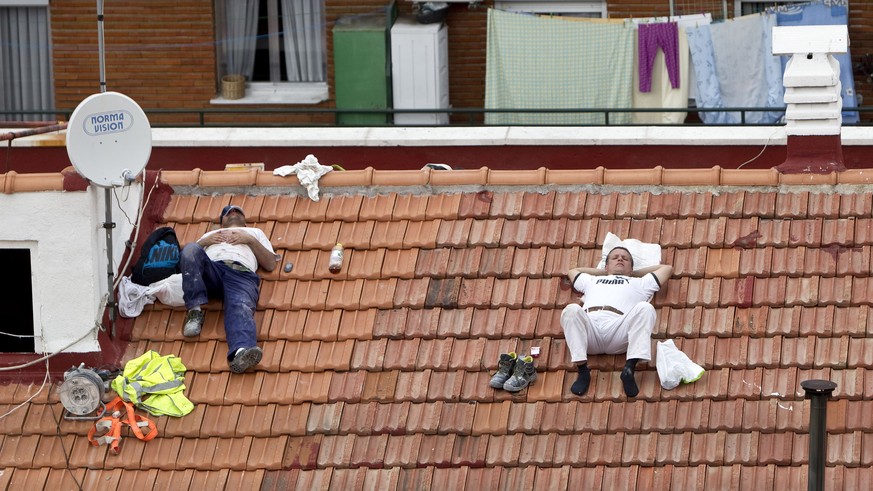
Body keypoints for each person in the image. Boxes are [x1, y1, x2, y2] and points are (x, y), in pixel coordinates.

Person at [561, 246, 672, 398]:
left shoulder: (640, 283)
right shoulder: (592, 281)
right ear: (606, 265)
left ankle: (629, 369)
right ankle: (582, 371)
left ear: (631, 267)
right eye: (615, 258)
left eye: (625, 258)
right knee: (571, 310)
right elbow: (573, 271)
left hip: (618, 331)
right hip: (589, 333)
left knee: (646, 308)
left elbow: (666, 269)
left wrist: (632, 273)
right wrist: (607, 273)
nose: (620, 259)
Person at [180, 205, 278, 373]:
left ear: (245, 222)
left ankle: (241, 353)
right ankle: (195, 312)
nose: (233, 212)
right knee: (190, 249)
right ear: (221, 222)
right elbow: (188, 262)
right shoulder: (209, 235)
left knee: (240, 306)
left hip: (240, 274)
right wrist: (204, 242)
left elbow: (270, 264)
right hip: (213, 271)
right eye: (227, 212)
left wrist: (249, 240)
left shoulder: (254, 233)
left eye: (238, 211)